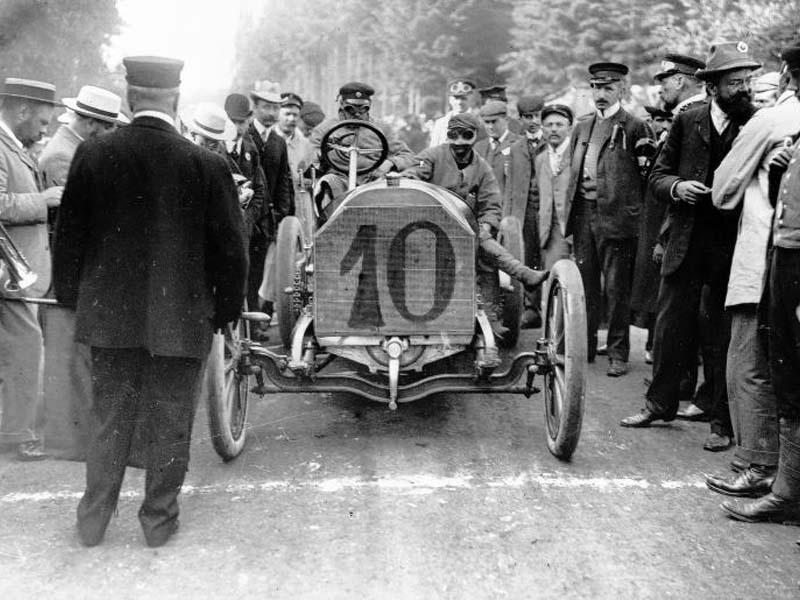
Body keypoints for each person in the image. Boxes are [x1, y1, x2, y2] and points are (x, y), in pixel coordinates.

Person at [53, 56, 247, 547]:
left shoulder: (93, 154)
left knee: (109, 417)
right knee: (170, 420)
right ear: (176, 99)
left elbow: (70, 237)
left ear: (130, 96)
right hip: (181, 320)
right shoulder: (208, 164)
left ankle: (92, 522)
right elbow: (231, 249)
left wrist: (74, 301)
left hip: (110, 318)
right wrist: (225, 314)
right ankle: (158, 524)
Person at [620, 42, 761, 452]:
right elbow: (658, 177)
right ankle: (658, 404)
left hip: (731, 244)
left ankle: (721, 420)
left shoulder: (755, 123)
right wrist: (678, 187)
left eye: (746, 81)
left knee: (721, 333)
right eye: (735, 82)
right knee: (670, 327)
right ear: (713, 87)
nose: (743, 89)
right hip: (684, 240)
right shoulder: (689, 120)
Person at [705, 46, 800, 498]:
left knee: (747, 363)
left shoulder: (771, 121)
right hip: (789, 262)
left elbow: (721, 191)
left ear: (785, 75)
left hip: (764, 258)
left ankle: (757, 464)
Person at [400, 111, 549, 343]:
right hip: (426, 227)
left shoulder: (482, 167)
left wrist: (487, 224)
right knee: (480, 244)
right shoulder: (432, 156)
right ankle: (521, 273)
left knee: (484, 254)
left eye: (466, 136)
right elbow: (413, 172)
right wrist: (410, 177)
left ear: (474, 137)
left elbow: (491, 203)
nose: (459, 143)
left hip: (463, 229)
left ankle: (489, 318)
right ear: (448, 136)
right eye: (454, 136)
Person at [38, 85, 126, 460]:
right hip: (68, 266)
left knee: (77, 353)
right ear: (91, 123)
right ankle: (71, 441)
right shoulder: (63, 155)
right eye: (107, 127)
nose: (110, 135)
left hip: (74, 262)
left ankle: (76, 437)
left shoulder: (73, 149)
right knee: (72, 355)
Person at [565, 62, 653, 376]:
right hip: (584, 215)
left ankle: (617, 352)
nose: (601, 95)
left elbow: (646, 179)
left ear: (622, 90)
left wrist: (635, 219)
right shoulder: (582, 126)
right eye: (596, 88)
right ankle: (585, 346)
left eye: (608, 88)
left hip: (616, 218)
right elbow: (573, 177)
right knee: (585, 284)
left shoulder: (634, 127)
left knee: (617, 288)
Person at [0, 77, 63, 461]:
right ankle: (16, 433)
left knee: (20, 349)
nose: (44, 131)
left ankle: (15, 427)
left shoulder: (14, 146)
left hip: (19, 270)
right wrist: (42, 200)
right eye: (41, 123)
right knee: (25, 349)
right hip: (9, 271)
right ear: (21, 111)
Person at [309, 82, 415, 207]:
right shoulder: (324, 129)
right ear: (342, 104)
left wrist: (389, 163)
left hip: (373, 181)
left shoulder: (382, 128)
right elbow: (310, 157)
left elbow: (408, 156)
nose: (357, 114)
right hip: (339, 180)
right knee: (327, 183)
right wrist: (321, 155)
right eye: (351, 108)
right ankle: (331, 220)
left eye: (363, 108)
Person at [248, 87, 294, 322]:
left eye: (275, 107)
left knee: (259, 271)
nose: (271, 113)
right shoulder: (244, 136)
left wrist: (284, 215)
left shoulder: (278, 141)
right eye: (266, 107)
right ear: (254, 108)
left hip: (267, 219)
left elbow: (284, 180)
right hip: (245, 216)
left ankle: (256, 324)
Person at [508, 95, 547, 329]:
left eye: (536, 116)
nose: (532, 121)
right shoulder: (515, 148)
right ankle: (531, 310)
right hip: (525, 212)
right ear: (520, 120)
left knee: (549, 257)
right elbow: (511, 186)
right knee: (528, 257)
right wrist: (510, 218)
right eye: (527, 117)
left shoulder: (552, 142)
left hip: (548, 209)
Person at [224, 92, 267, 250]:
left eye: (241, 122)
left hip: (245, 231)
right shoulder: (215, 149)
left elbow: (259, 189)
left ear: (249, 121)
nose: (236, 127)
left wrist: (247, 220)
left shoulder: (251, 149)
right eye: (232, 121)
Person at [536, 104, 574, 272]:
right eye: (549, 125)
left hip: (575, 231)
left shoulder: (577, 155)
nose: (553, 130)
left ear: (569, 128)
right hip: (550, 234)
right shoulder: (540, 159)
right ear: (542, 128)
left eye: (559, 125)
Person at [274, 92, 313, 183]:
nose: (291, 119)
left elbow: (311, 175)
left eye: (295, 115)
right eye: (287, 114)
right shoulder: (267, 140)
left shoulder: (306, 144)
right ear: (278, 115)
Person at [429, 77, 479, 147]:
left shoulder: (479, 122)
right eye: (456, 98)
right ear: (450, 100)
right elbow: (433, 149)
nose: (459, 102)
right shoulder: (441, 123)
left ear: (470, 99)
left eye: (463, 98)